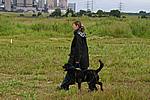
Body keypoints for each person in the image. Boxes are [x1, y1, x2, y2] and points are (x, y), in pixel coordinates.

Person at [58, 21, 89, 90]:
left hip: (77, 58)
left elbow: (78, 48)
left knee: (70, 71)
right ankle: (65, 85)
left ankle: (64, 86)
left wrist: (77, 60)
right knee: (84, 72)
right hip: (84, 57)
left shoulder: (77, 35)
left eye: (74, 26)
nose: (73, 27)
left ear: (77, 26)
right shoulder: (82, 34)